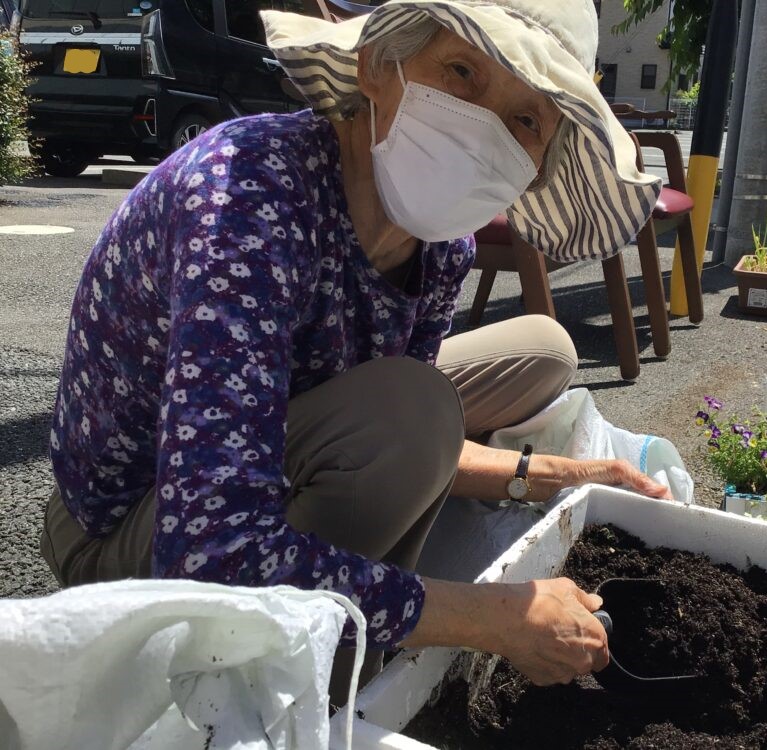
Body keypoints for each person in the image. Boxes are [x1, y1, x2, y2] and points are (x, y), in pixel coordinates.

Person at [40, 0, 667, 698]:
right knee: (414, 415)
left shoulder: (440, 249)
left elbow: (418, 438)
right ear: (377, 65)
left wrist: (552, 472)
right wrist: (492, 619)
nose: (485, 128)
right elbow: (209, 551)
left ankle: (341, 572)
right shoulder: (247, 198)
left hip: (275, 424)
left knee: (539, 349)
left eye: (526, 121)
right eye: (462, 72)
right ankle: (310, 682)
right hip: (128, 532)